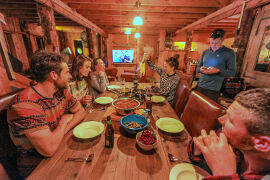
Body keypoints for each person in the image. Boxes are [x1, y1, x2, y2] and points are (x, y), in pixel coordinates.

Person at [7, 51, 86, 177]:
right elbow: (49, 149)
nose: (70, 76)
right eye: (66, 72)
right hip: (37, 169)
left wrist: (62, 130)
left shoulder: (61, 92)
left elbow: (81, 112)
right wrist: (63, 123)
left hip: (61, 149)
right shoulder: (25, 104)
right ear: (53, 75)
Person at [188, 88, 270, 179]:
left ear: (262, 143)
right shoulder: (235, 143)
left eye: (231, 120)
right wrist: (197, 152)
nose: (220, 119)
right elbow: (203, 165)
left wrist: (224, 174)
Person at [196, 28, 236, 102]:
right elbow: (198, 68)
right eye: (211, 43)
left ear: (222, 40)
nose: (213, 45)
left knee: (208, 111)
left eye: (216, 43)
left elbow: (232, 72)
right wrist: (200, 70)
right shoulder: (205, 52)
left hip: (213, 89)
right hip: (200, 86)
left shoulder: (229, 53)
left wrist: (218, 71)